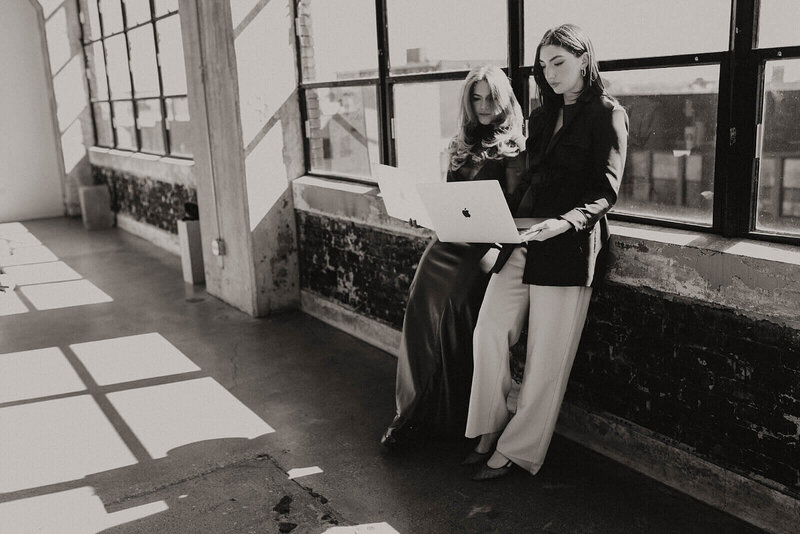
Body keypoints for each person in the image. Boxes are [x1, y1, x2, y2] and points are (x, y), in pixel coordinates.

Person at [464, 24, 629, 479]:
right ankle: (490, 426)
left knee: (546, 358)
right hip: (521, 241)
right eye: (543, 65)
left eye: (559, 62)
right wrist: (489, 219)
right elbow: (529, 180)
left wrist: (566, 222)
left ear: (583, 58)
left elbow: (606, 192)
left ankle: (516, 449)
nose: (550, 73)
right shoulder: (539, 116)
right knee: (488, 333)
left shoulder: (608, 114)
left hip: (569, 246)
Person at [380, 65, 527, 449]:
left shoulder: (516, 148)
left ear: (504, 99)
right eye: (475, 98)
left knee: (456, 307)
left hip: (488, 246)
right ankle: (411, 411)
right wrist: (424, 213)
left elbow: (515, 213)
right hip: (448, 241)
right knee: (419, 307)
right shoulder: (459, 144)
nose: (483, 106)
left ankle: (452, 417)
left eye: (490, 97)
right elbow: (451, 200)